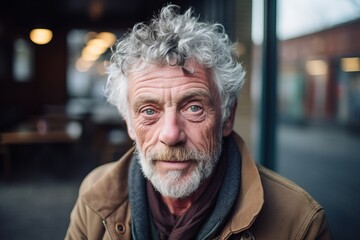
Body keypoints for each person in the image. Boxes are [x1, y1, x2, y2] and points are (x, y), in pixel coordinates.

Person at [65, 4, 332, 240]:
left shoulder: (300, 223)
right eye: (149, 111)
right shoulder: (94, 197)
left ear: (228, 117)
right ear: (129, 124)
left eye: (193, 107)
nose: (171, 134)